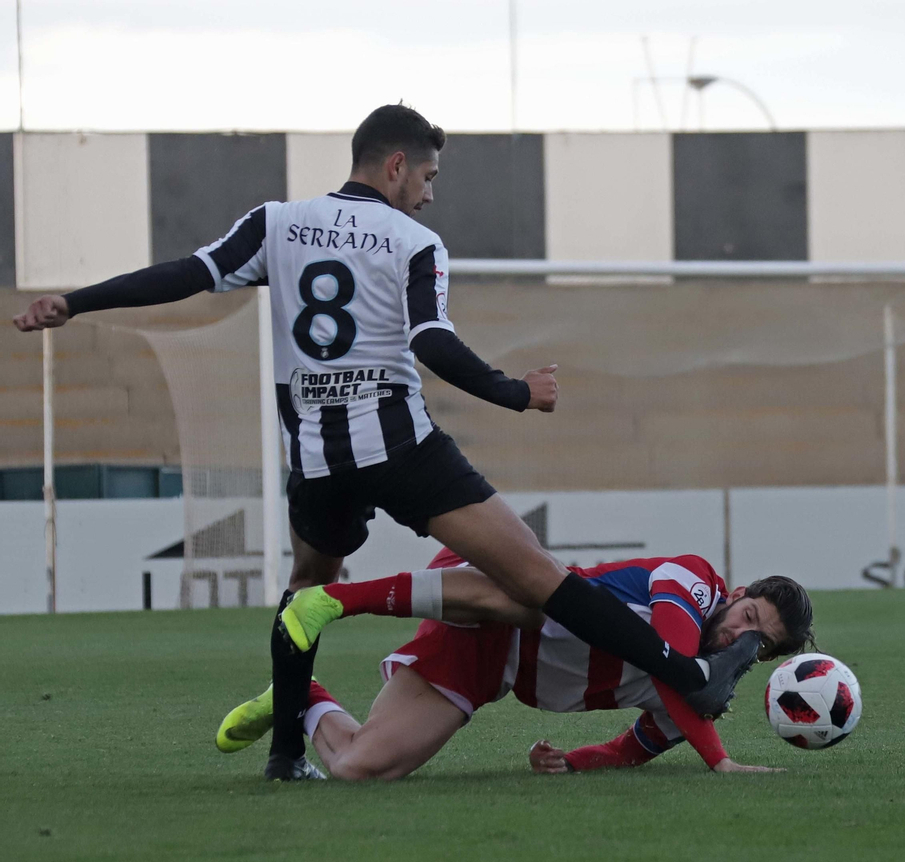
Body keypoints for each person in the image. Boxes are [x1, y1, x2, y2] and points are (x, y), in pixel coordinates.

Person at [12, 104, 756, 780]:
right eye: (427, 175)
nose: (430, 193)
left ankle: (282, 758)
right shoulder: (413, 240)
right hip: (401, 448)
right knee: (537, 580)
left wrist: (75, 302)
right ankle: (685, 674)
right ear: (396, 165)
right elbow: (431, 340)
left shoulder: (275, 221)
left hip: (316, 455)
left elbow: (187, 274)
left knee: (306, 588)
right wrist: (514, 392)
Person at [216, 551, 814, 780]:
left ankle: (298, 693)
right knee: (527, 602)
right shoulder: (694, 580)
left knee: (356, 768)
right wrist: (722, 762)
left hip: (486, 670)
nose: (741, 631)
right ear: (736, 591)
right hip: (499, 587)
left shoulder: (690, 699)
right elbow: (671, 660)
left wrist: (568, 761)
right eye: (749, 613)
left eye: (757, 641)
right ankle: (333, 600)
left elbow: (630, 751)